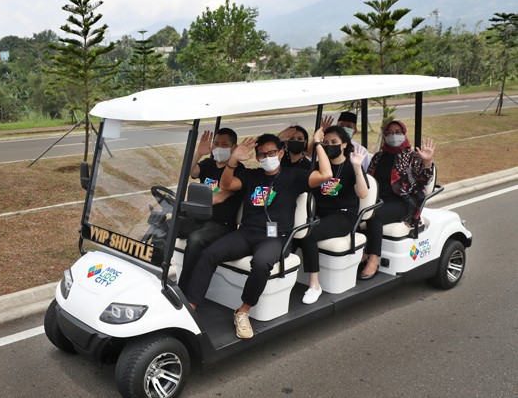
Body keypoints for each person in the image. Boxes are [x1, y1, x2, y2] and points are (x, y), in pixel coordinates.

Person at [184, 130, 332, 339]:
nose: (267, 158)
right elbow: (226, 184)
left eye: (271, 153)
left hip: (276, 237)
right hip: (246, 233)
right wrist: (233, 160)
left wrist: (317, 143)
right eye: (262, 155)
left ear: (281, 153)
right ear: (257, 157)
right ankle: (191, 304)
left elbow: (326, 175)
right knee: (210, 253)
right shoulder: (252, 175)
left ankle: (243, 311)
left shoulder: (293, 176)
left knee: (262, 262)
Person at [295, 126, 369, 304]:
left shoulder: (352, 166)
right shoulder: (321, 167)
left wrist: (358, 168)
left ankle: (314, 285)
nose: (330, 146)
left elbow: (363, 194)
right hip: (319, 214)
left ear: (344, 144)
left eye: (334, 142)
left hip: (343, 216)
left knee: (308, 234)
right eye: (325, 143)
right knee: (294, 228)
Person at [361, 120, 435, 279]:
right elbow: (369, 181)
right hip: (379, 200)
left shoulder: (412, 157)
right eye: (389, 133)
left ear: (404, 133)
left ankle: (373, 257)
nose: (393, 136)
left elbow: (424, 182)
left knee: (374, 215)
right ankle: (362, 251)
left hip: (404, 202)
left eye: (397, 132)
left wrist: (427, 162)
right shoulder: (379, 157)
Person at [176, 128, 245, 292]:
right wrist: (199, 153)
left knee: (195, 240)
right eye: (216, 143)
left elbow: (219, 197)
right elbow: (187, 172)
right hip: (199, 217)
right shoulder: (207, 164)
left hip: (221, 224)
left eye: (225, 144)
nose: (219, 147)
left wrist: (191, 201)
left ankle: (183, 290)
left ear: (234, 147)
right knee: (167, 227)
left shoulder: (239, 171)